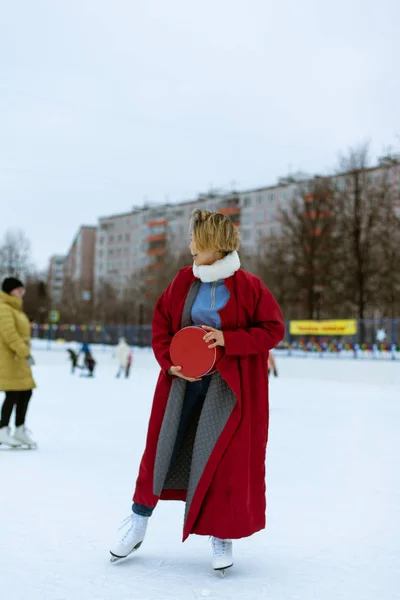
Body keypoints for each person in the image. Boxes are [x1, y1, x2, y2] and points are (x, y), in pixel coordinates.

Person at [109, 210, 285, 572]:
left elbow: (273, 329)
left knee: (225, 461)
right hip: (181, 384)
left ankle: (222, 534)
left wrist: (230, 339)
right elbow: (161, 324)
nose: (189, 245)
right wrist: (167, 362)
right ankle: (138, 520)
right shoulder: (182, 282)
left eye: (195, 239)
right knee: (161, 449)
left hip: (229, 390)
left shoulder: (250, 286)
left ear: (213, 246)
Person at [0, 277, 37, 448]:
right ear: (10, 290)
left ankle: (20, 430)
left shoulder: (16, 309)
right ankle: (2, 430)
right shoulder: (3, 308)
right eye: (19, 290)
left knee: (25, 392)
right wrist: (25, 352)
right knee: (13, 394)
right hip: (10, 359)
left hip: (18, 359)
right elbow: (9, 335)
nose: (22, 293)